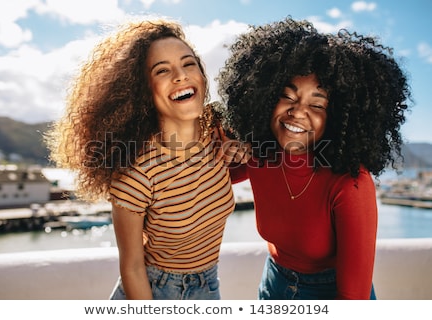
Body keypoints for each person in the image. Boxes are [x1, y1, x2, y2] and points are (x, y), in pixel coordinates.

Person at [216, 17, 412, 299]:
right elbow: (205, 173)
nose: (297, 111)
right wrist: (221, 144)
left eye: (317, 104)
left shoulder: (350, 185)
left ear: (338, 118)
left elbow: (353, 300)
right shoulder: (260, 154)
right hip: (273, 283)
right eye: (287, 96)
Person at [46, 18, 236, 300]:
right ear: (143, 91)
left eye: (188, 63)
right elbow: (132, 268)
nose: (181, 76)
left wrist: (239, 146)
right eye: (162, 70)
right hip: (159, 291)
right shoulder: (136, 174)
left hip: (209, 285)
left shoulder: (217, 126)